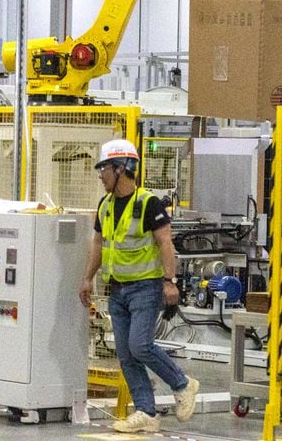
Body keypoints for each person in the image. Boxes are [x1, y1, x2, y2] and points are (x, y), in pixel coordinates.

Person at [79, 139, 199, 434]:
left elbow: (165, 243)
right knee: (126, 353)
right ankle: (146, 412)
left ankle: (183, 384)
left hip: (146, 287)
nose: (100, 174)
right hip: (117, 289)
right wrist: (87, 277)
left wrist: (169, 282)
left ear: (121, 169)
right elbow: (98, 243)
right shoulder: (105, 205)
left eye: (104, 168)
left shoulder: (149, 204)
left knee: (140, 345)